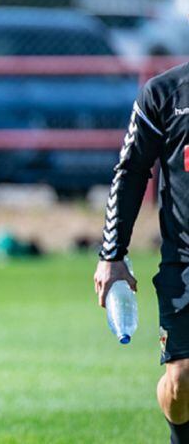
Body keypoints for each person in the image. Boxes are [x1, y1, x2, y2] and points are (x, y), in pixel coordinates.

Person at [93, 61, 189, 443]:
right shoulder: (165, 93)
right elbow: (130, 169)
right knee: (181, 382)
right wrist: (112, 255)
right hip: (184, 263)